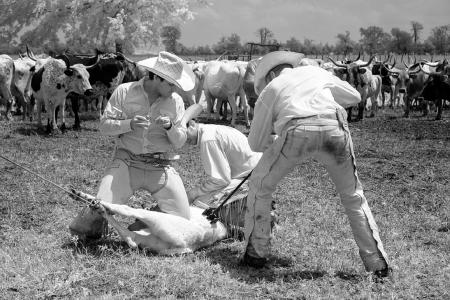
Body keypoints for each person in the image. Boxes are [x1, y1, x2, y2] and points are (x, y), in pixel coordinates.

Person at [241, 51, 391, 280]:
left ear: (270, 75)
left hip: (296, 131)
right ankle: (377, 262)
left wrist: (277, 136)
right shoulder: (316, 72)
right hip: (336, 127)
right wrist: (319, 100)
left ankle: (256, 253)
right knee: (353, 195)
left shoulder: (272, 88)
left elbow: (254, 143)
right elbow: (354, 96)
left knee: (260, 185)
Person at [69, 51, 196, 239]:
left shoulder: (175, 101)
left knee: (183, 221)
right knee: (91, 222)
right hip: (127, 162)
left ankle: (144, 220)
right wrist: (129, 124)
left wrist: (170, 127)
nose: (175, 90)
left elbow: (179, 142)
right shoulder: (124, 91)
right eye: (171, 84)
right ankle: (142, 221)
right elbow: (104, 126)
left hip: (160, 167)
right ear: (156, 78)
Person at [185, 119, 262, 208]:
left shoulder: (208, 139)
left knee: (200, 204)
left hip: (252, 178)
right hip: (254, 172)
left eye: (183, 133)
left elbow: (221, 180)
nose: (184, 140)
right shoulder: (210, 130)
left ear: (192, 124)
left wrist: (193, 193)